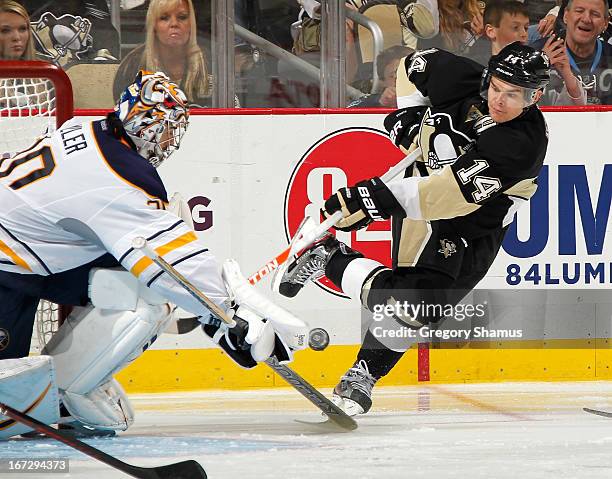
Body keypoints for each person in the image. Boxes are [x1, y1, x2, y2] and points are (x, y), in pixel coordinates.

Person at [0, 70, 307, 439]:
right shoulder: (120, 174)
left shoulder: (91, 131)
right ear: (145, 123)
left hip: (25, 259)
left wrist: (216, 316)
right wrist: (228, 316)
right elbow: (170, 260)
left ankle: (62, 392)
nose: (169, 140)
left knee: (128, 281)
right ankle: (65, 395)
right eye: (167, 127)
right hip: (13, 262)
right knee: (144, 294)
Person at [277, 42, 550, 415]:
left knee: (422, 304)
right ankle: (363, 375)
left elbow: (447, 197)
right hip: (424, 195)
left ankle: (330, 260)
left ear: (534, 97)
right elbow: (410, 67)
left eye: (513, 95)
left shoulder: (523, 143)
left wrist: (373, 201)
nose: (499, 101)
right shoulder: (460, 77)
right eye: (496, 87)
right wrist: (409, 117)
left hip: (473, 222)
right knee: (418, 302)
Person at [470, 0, 585, 104]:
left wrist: (567, 75)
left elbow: (574, 112)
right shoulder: (474, 68)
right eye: (515, 28)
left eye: (525, 28)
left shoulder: (543, 74)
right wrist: (534, 67)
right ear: (491, 31)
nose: (524, 34)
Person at [113, 0, 218, 107]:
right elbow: (125, 115)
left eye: (182, 17)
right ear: (153, 25)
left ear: (191, 23)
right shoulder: (132, 65)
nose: (174, 24)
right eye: (164, 18)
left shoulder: (211, 63)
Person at [534, 0, 612, 104]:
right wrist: (537, 69)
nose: (586, 19)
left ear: (605, 23)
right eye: (579, 11)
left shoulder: (610, 55)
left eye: (595, 14)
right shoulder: (536, 54)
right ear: (566, 15)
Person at [397, 0, 485, 56]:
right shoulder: (415, 4)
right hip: (424, 76)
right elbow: (427, 29)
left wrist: (483, 35)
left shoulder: (479, 7)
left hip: (467, 75)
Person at [348, 46, 414, 108]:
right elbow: (346, 114)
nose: (406, 79)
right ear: (382, 81)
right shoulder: (371, 101)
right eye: (394, 75)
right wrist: (382, 104)